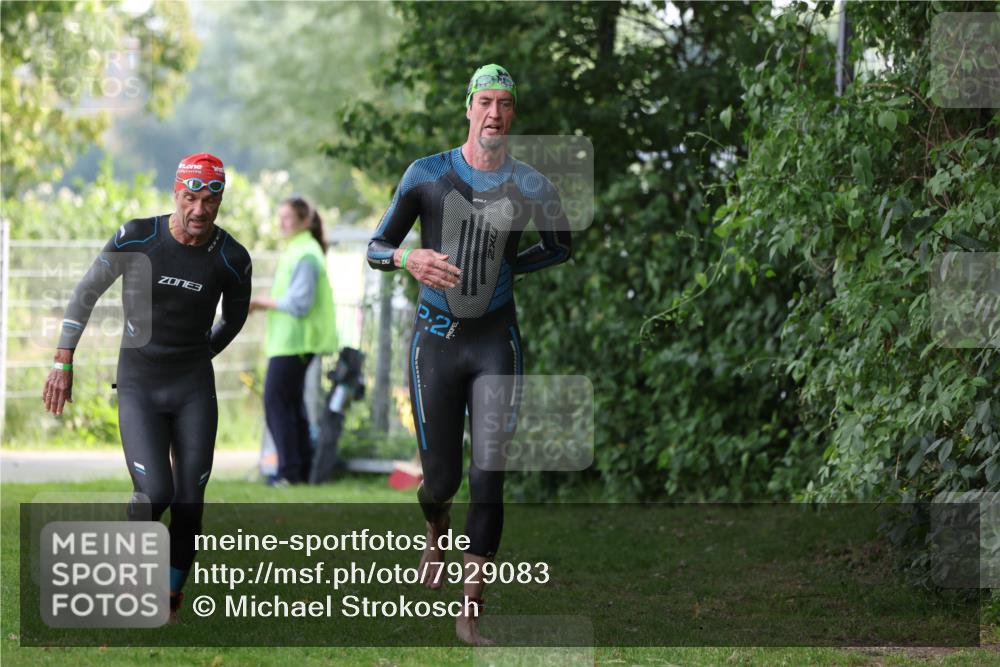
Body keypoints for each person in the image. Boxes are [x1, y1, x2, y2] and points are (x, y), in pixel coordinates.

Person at [367, 64, 572, 645]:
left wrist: (510, 266)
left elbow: (559, 248)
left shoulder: (532, 185)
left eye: (505, 104)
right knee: (441, 480)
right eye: (486, 101)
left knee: (489, 475)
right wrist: (411, 261)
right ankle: (436, 531)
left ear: (513, 114)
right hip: (435, 341)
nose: (495, 114)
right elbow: (376, 246)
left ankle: (470, 609)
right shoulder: (426, 175)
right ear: (468, 107)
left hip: (495, 342)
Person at [42, 153, 252, 623]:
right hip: (140, 383)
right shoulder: (138, 236)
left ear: (220, 201)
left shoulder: (230, 258)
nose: (199, 210)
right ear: (176, 193)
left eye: (209, 201)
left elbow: (234, 320)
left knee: (190, 501)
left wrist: (198, 357)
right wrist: (62, 361)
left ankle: (170, 597)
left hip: (193, 387)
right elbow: (86, 292)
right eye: (190, 198)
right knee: (155, 490)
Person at [249, 197, 338, 485]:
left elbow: (300, 303)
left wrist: (260, 302)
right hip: (292, 343)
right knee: (291, 404)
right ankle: (299, 470)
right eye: (281, 216)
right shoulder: (300, 250)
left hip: (295, 342)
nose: (282, 222)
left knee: (276, 404)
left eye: (288, 217)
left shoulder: (305, 253)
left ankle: (288, 472)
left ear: (305, 221)